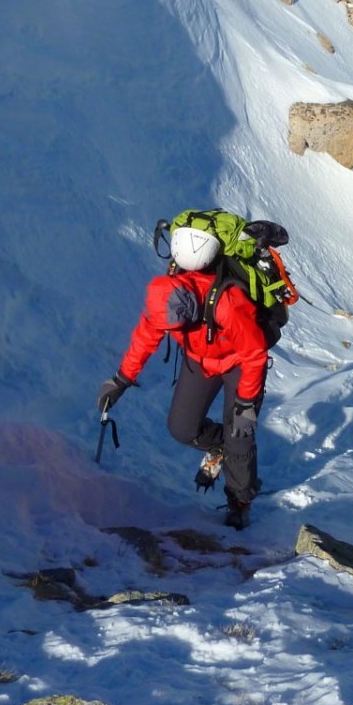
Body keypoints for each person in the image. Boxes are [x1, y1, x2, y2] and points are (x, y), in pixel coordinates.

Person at [97, 224, 266, 529]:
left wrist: (246, 405)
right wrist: (120, 380)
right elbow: (145, 339)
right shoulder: (163, 302)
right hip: (199, 361)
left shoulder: (228, 305)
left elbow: (255, 354)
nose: (171, 333)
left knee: (239, 433)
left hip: (239, 362)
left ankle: (240, 500)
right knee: (182, 428)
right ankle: (220, 447)